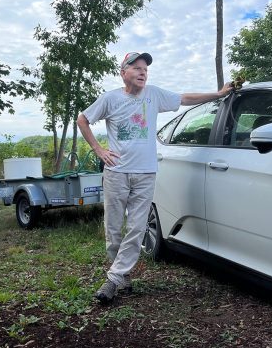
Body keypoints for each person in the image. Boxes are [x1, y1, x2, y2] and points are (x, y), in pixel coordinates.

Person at [77, 52, 233, 303]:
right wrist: (99, 150)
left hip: (146, 172)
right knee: (113, 229)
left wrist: (218, 94)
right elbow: (83, 119)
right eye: (137, 68)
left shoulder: (154, 94)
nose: (142, 72)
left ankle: (113, 279)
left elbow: (184, 98)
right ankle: (123, 274)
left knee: (137, 227)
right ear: (123, 72)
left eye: (145, 69)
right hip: (116, 173)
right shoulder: (110, 99)